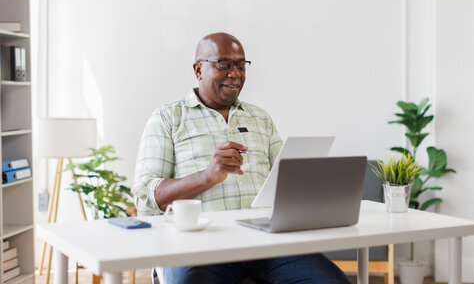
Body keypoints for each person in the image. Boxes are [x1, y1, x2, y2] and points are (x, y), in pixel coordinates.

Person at [132, 33, 351, 284]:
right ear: (198, 70)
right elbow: (144, 196)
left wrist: (308, 187)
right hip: (197, 246)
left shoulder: (260, 118)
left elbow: (285, 179)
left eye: (240, 65)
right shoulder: (168, 117)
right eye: (224, 65)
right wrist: (207, 176)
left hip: (269, 243)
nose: (235, 74)